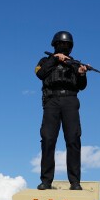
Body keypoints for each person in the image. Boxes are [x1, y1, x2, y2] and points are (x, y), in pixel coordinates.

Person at [35, 30, 88, 191]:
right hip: (51, 101)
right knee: (48, 140)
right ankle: (46, 181)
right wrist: (54, 59)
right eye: (61, 44)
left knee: (73, 140)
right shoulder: (45, 60)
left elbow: (81, 86)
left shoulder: (75, 63)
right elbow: (41, 74)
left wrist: (81, 74)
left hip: (70, 101)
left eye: (67, 45)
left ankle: (75, 182)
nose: (64, 47)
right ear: (55, 45)